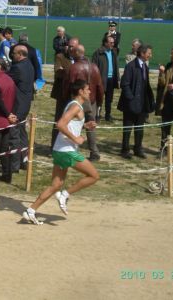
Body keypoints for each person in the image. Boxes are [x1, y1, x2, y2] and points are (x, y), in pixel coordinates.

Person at [22, 80, 99, 225]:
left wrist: (85, 126)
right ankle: (65, 194)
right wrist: (76, 139)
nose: (90, 92)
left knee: (55, 185)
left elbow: (70, 125)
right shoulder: (76, 107)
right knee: (94, 175)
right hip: (67, 151)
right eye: (88, 89)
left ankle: (30, 211)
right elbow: (61, 124)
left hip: (59, 150)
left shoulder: (73, 105)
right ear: (81, 91)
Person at [117, 44, 155, 159]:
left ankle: (138, 148)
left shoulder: (145, 67)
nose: (150, 55)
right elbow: (125, 83)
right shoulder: (131, 66)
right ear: (142, 53)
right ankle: (125, 150)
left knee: (140, 128)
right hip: (130, 104)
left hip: (142, 103)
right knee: (127, 128)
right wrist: (131, 98)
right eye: (149, 53)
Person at [68, 45, 104, 161]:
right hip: (91, 100)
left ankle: (73, 150)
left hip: (77, 101)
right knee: (91, 126)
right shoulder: (94, 67)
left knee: (73, 125)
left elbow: (70, 86)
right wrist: (99, 102)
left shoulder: (74, 67)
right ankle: (94, 152)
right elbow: (99, 87)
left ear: (76, 53)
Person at [8, 45, 34, 172]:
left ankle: (14, 165)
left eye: (13, 53)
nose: (12, 55)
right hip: (26, 104)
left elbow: (7, 80)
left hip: (18, 106)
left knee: (14, 135)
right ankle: (24, 161)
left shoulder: (17, 68)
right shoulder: (29, 64)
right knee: (23, 134)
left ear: (20, 54)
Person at [50, 37, 80, 147]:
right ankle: (53, 146)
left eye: (74, 46)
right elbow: (58, 72)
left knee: (73, 121)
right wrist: (72, 72)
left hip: (75, 96)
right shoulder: (60, 57)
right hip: (62, 94)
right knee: (59, 120)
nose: (71, 48)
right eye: (70, 45)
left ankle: (70, 144)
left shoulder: (79, 58)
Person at [92, 35, 120, 122]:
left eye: (113, 42)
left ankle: (108, 115)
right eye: (111, 42)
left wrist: (118, 78)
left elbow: (116, 66)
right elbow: (93, 67)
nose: (113, 44)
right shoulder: (98, 53)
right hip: (101, 79)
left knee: (109, 99)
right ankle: (97, 115)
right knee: (99, 98)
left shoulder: (113, 52)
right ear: (105, 43)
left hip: (111, 79)